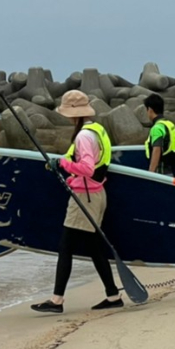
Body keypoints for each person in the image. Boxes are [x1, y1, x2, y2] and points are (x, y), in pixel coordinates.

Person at [31, 90, 123, 314]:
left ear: (73, 113)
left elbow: (88, 168)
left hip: (85, 197)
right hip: (96, 194)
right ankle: (113, 295)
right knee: (93, 248)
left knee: (66, 247)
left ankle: (57, 301)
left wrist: (63, 164)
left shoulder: (83, 136)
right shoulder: (97, 129)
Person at [144, 93, 175, 175]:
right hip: (170, 172)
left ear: (150, 110)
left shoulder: (157, 128)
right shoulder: (169, 124)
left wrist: (150, 173)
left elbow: (157, 150)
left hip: (160, 174)